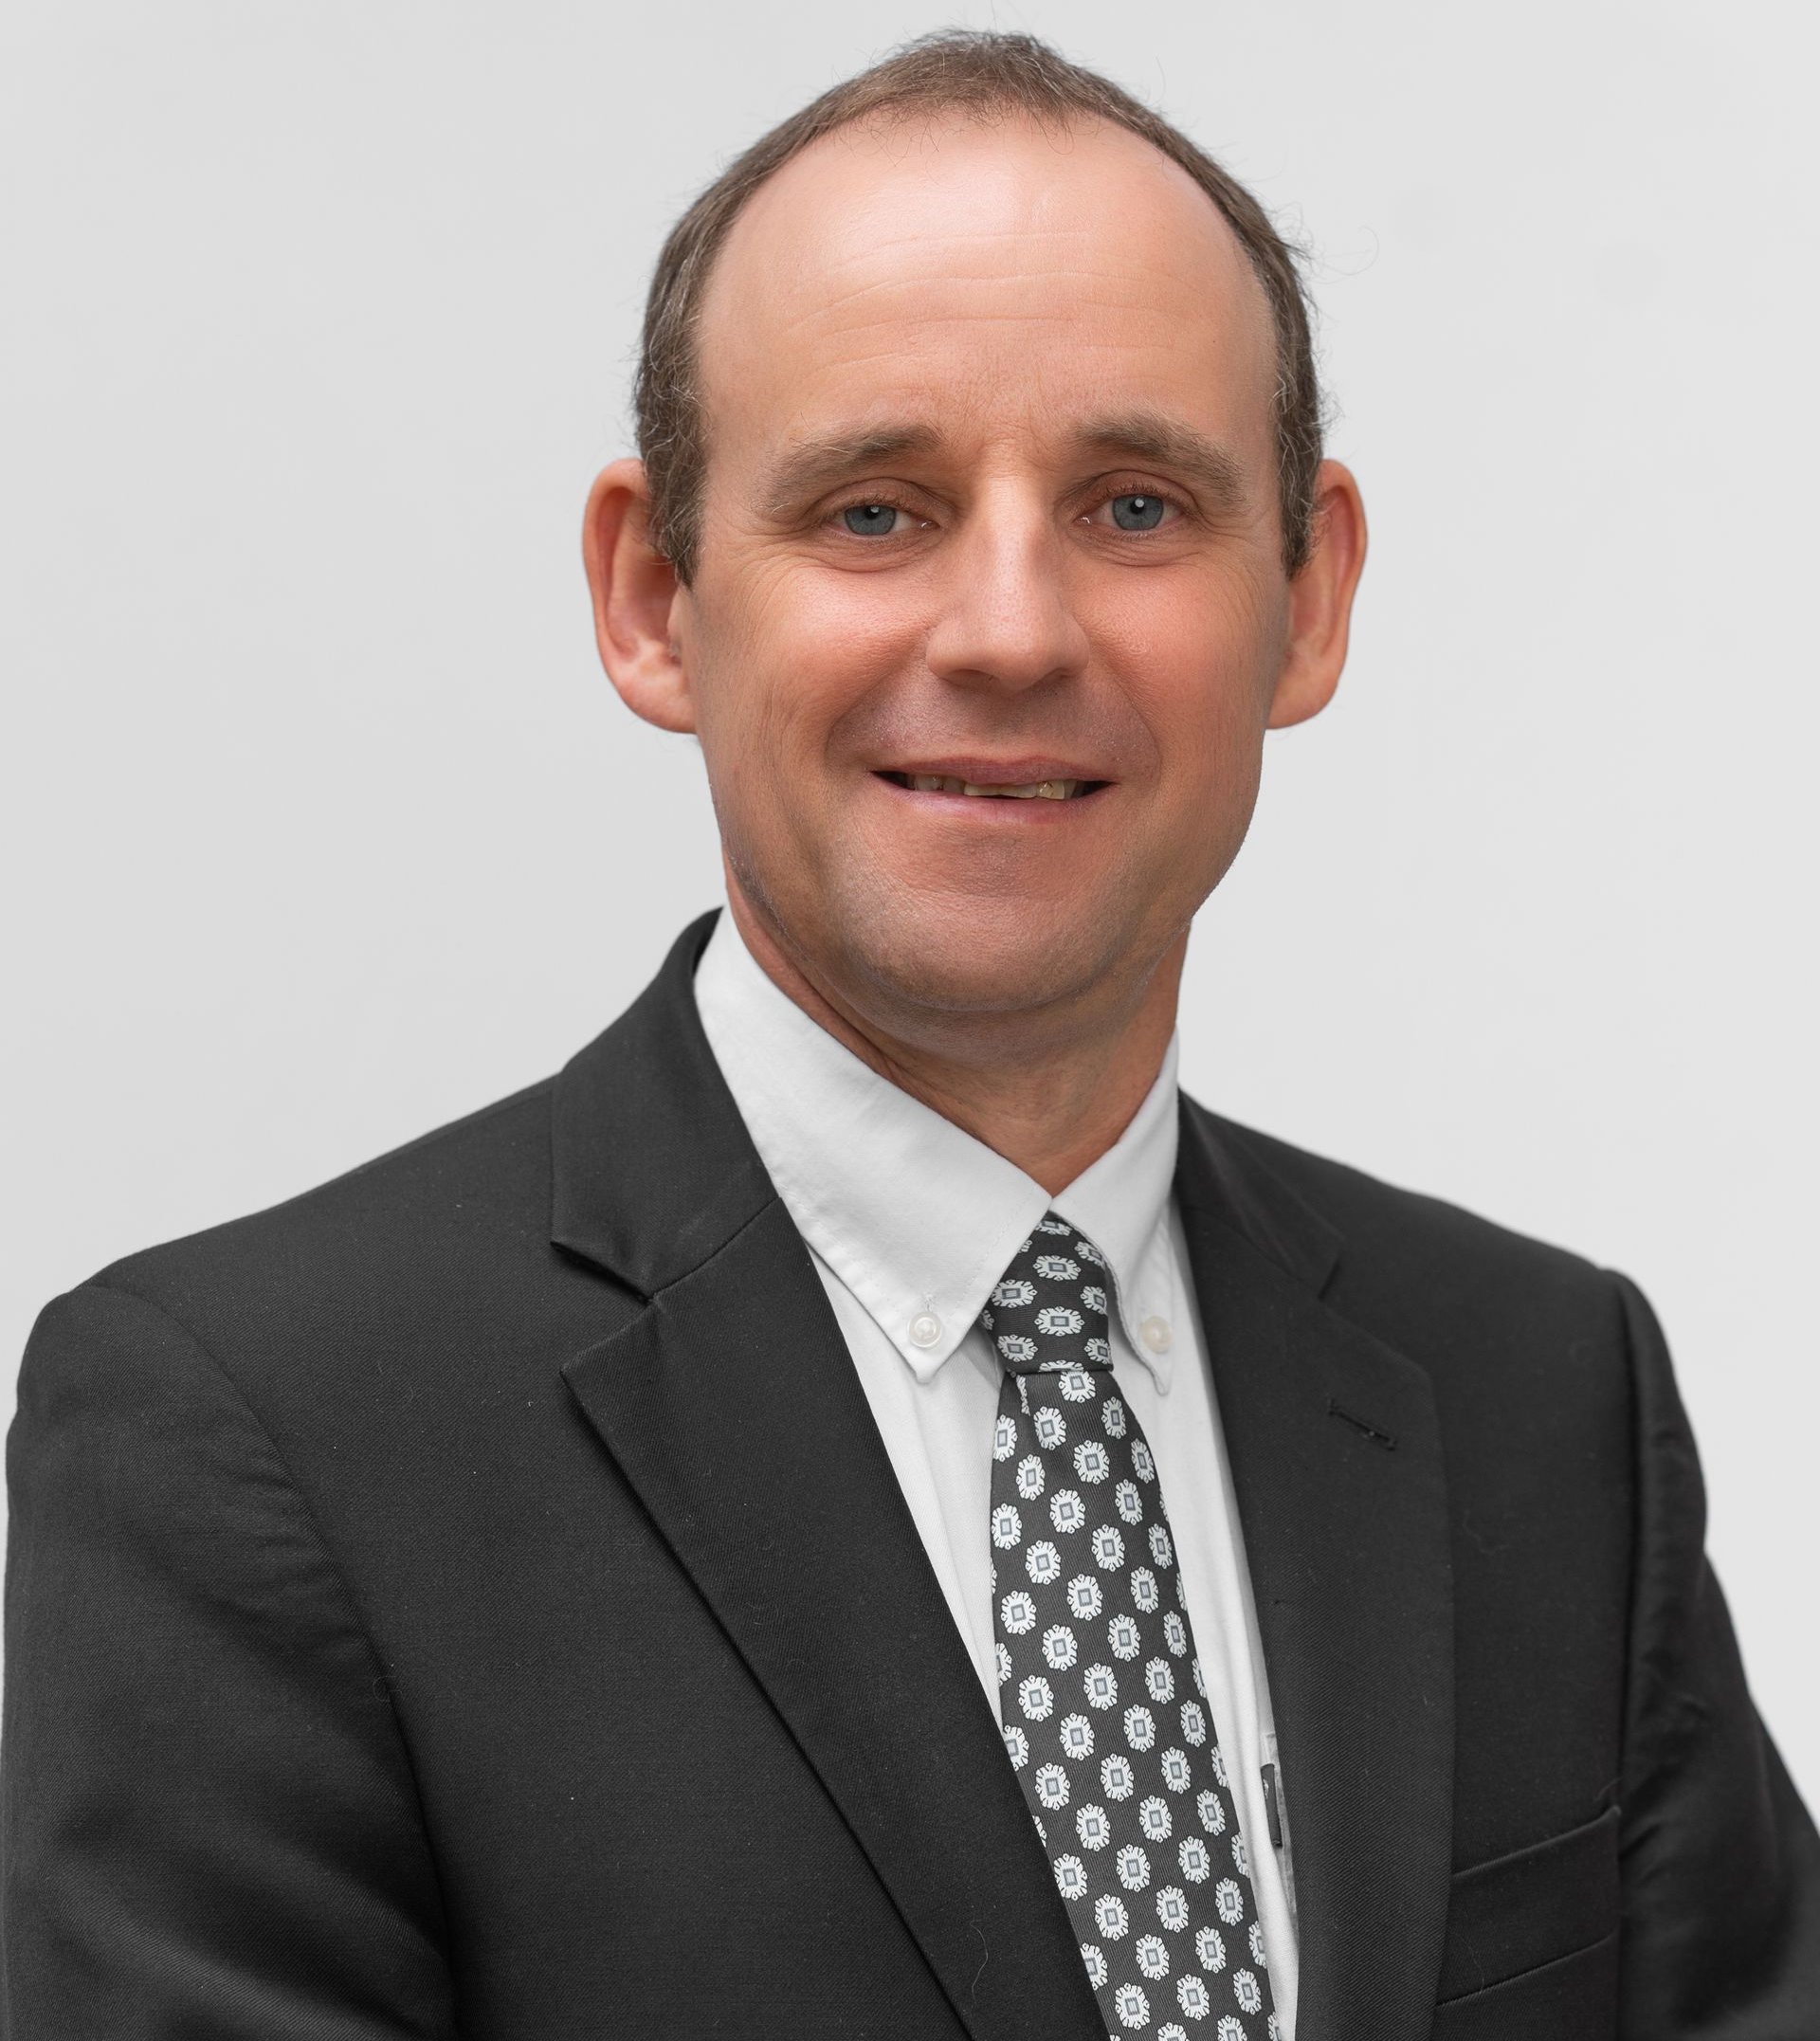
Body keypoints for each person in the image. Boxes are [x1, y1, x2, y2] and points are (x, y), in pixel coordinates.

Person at [4, 26, 1814, 2041]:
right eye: (877, 510)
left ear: (1307, 598)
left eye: (1136, 504)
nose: (1013, 628)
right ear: (653, 598)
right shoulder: (256, 1444)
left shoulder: (1544, 1400)